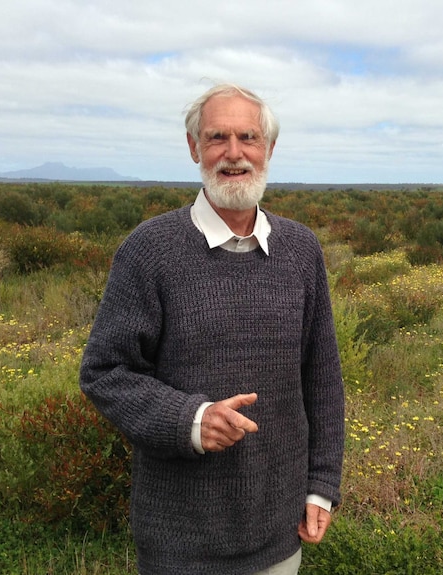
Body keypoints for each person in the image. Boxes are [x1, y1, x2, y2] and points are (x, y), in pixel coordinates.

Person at [79, 83, 345, 575]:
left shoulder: (301, 250)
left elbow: (323, 376)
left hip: (279, 533)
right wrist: (192, 420)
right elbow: (105, 371)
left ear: (268, 149)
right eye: (217, 137)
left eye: (248, 136)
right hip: (180, 542)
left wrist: (322, 484)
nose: (234, 152)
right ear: (193, 147)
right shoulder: (150, 250)